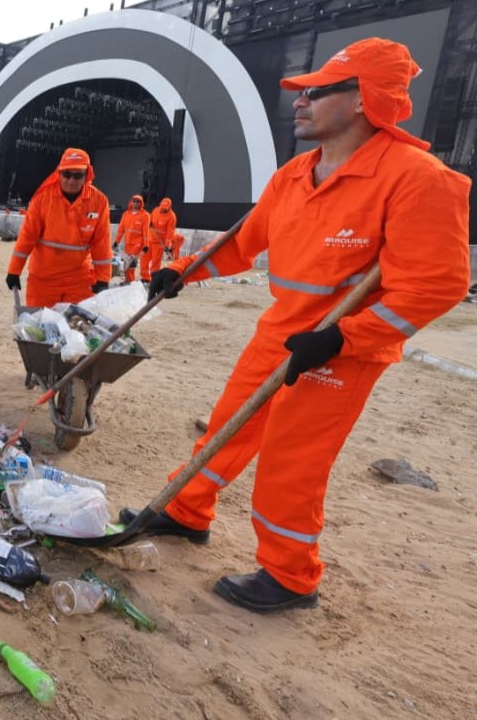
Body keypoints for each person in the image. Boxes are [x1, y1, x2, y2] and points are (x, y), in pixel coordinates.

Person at [130, 38, 471, 613]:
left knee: (291, 462)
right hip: (282, 330)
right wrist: (182, 270)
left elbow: (436, 286)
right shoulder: (294, 175)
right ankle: (186, 511)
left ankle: (290, 575)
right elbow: (244, 241)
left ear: (363, 99)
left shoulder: (417, 179)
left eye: (318, 91)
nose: (301, 102)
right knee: (227, 428)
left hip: (339, 349)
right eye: (303, 92)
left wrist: (344, 337)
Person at [6, 148, 112, 305]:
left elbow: (101, 243)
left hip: (79, 279)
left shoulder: (99, 201)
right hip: (43, 278)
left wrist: (103, 278)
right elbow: (27, 237)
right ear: (59, 173)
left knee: (77, 319)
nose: (71, 180)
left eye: (78, 175)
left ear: (87, 175)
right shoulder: (42, 199)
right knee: (39, 319)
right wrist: (14, 270)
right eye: (67, 174)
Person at [113, 194, 150, 283]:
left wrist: (146, 245)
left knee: (131, 263)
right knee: (126, 262)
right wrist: (116, 241)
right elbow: (121, 230)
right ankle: (128, 281)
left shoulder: (145, 215)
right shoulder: (126, 214)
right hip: (128, 243)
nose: (136, 203)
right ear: (131, 202)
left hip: (138, 244)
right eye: (134, 201)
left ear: (141, 203)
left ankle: (130, 282)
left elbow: (146, 232)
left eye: (138, 202)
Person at [148, 197, 177, 272]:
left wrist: (167, 245)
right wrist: (148, 222)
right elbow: (150, 220)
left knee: (155, 262)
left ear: (169, 207)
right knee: (145, 259)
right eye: (162, 207)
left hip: (159, 243)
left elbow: (170, 233)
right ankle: (145, 277)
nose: (163, 209)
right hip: (149, 239)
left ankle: (154, 277)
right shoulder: (155, 210)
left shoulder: (172, 217)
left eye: (165, 208)